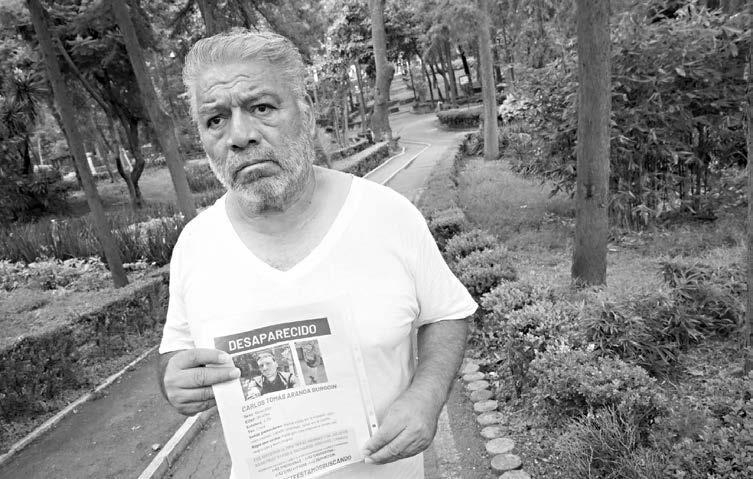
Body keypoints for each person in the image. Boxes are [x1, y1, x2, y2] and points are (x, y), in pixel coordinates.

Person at [158, 30, 477, 479]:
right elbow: (175, 352)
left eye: (262, 108)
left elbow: (447, 314)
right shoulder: (195, 245)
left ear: (306, 115)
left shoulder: (388, 216)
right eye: (215, 120)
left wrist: (427, 395)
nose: (240, 136)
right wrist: (174, 381)